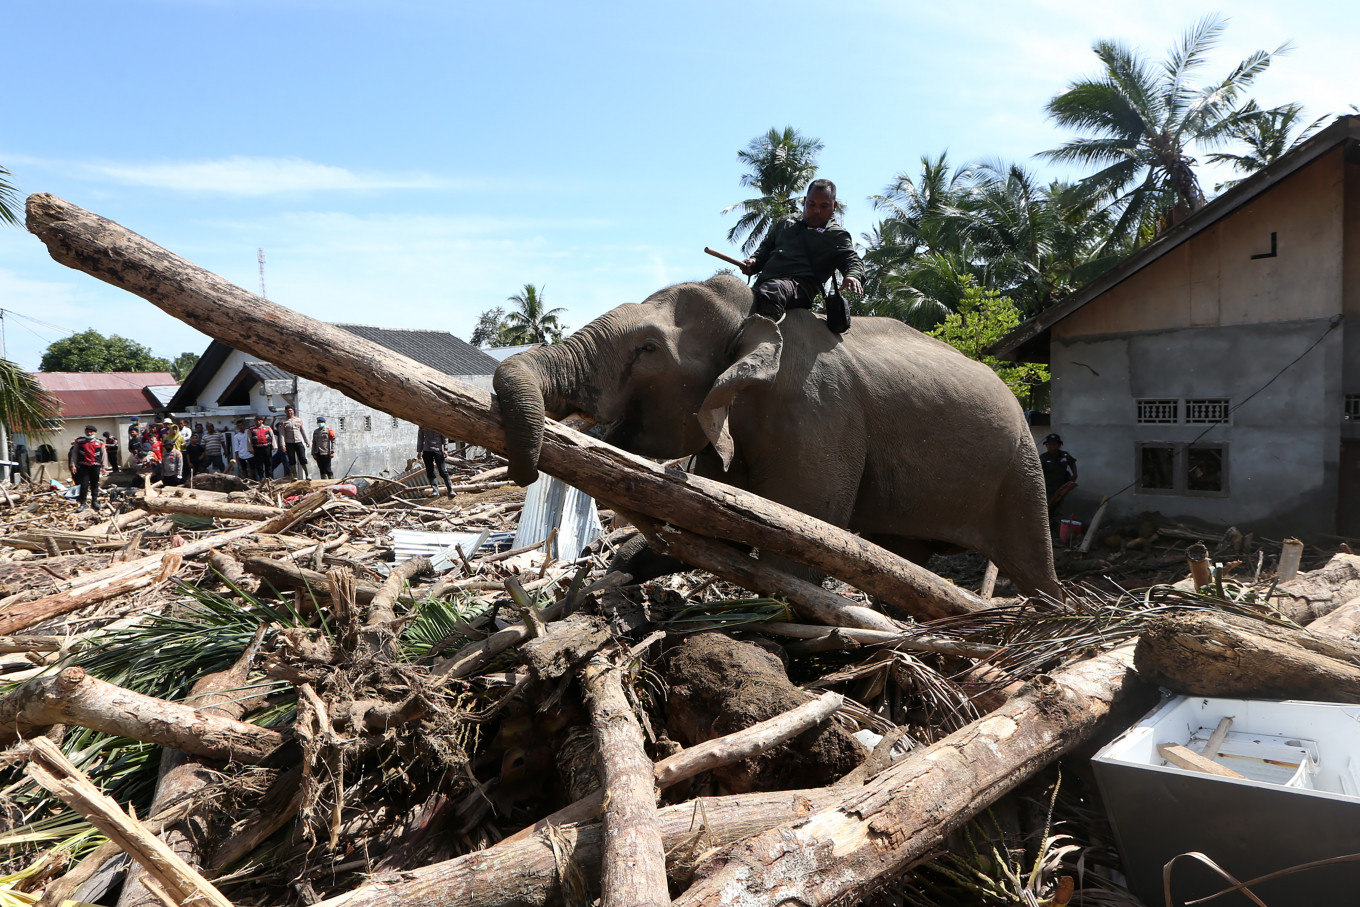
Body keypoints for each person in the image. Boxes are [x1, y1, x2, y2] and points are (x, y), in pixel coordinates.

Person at [740, 179, 865, 334]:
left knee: (773, 290)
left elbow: (852, 260)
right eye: (812, 204)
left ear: (834, 206)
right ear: (805, 201)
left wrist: (853, 276)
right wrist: (753, 261)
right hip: (764, 283)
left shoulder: (836, 235)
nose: (816, 210)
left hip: (799, 286)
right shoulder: (786, 223)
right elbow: (765, 249)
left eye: (823, 206)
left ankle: (761, 345)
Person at [68, 425, 109, 512]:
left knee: (94, 484)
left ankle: (94, 501)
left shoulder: (100, 442)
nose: (89, 433)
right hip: (83, 466)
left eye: (91, 431)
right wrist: (73, 465)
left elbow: (104, 455)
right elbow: (74, 454)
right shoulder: (80, 441)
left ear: (95, 432)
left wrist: (104, 467)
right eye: (87, 431)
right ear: (85, 432)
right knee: (84, 484)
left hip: (95, 465)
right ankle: (83, 503)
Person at [1040, 433, 1078, 512]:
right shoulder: (1043, 457)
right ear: (1046, 446)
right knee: (1048, 507)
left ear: (1059, 445)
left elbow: (1072, 462)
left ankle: (1058, 521)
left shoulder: (1064, 455)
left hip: (1063, 486)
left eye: (1054, 444)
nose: (1051, 447)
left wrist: (1075, 474)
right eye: (1049, 444)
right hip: (1048, 488)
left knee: (1062, 507)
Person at [417, 426, 454, 497]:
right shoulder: (422, 424)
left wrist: (446, 449)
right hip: (427, 450)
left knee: (443, 471)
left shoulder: (437, 423)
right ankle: (435, 490)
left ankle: (450, 490)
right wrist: (419, 451)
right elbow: (420, 438)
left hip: (437, 449)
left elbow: (445, 436)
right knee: (430, 471)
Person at [274, 406, 310, 478]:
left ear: (293, 411)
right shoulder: (283, 422)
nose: (289, 412)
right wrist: (283, 445)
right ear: (285, 412)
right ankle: (295, 475)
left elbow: (303, 431)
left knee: (302, 458)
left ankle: (307, 474)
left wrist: (306, 441)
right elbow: (282, 435)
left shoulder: (298, 420)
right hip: (289, 443)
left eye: (290, 411)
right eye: (288, 411)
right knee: (292, 459)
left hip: (298, 441)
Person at [248, 415, 276, 481]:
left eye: (259, 420)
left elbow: (272, 437)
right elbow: (249, 440)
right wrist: (250, 449)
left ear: (262, 421)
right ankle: (261, 477)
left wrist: (274, 446)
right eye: (256, 420)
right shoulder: (251, 430)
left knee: (268, 462)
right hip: (257, 448)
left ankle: (269, 476)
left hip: (267, 447)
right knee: (259, 463)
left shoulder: (268, 428)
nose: (257, 421)